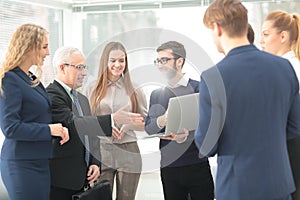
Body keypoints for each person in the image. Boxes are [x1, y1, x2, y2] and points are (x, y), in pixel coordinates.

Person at [195, 1, 300, 200]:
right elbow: (295, 127)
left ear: (217, 28)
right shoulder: (284, 67)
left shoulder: (213, 78)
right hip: (279, 186)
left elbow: (207, 146)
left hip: (237, 189)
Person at [46, 46, 144, 200]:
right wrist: (113, 119)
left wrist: (94, 162)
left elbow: (92, 135)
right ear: (62, 68)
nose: (84, 73)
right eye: (79, 67)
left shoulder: (81, 99)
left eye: (84, 67)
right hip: (64, 178)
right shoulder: (52, 95)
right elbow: (76, 123)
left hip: (84, 173)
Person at [0, 23, 69, 200]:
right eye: (44, 47)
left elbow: (38, 116)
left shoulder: (31, 78)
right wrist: (48, 130)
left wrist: (58, 129)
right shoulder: (9, 79)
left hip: (40, 161)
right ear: (29, 47)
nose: (47, 52)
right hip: (21, 163)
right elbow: (10, 128)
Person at [144, 41, 214, 200]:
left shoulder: (200, 88)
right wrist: (162, 120)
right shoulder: (157, 94)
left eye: (164, 60)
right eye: (158, 61)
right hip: (169, 168)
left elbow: (208, 126)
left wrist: (186, 137)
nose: (160, 65)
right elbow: (149, 128)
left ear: (180, 61)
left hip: (197, 164)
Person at [85, 41, 147, 200]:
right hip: (101, 151)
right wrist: (104, 126)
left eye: (122, 60)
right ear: (105, 62)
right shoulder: (91, 88)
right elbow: (85, 122)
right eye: (113, 60)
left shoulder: (135, 89)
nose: (118, 65)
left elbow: (145, 123)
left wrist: (126, 126)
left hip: (129, 151)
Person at [260, 10, 300, 200]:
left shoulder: (285, 69)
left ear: (282, 36)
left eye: (266, 34)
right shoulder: (293, 65)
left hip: (292, 148)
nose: (262, 41)